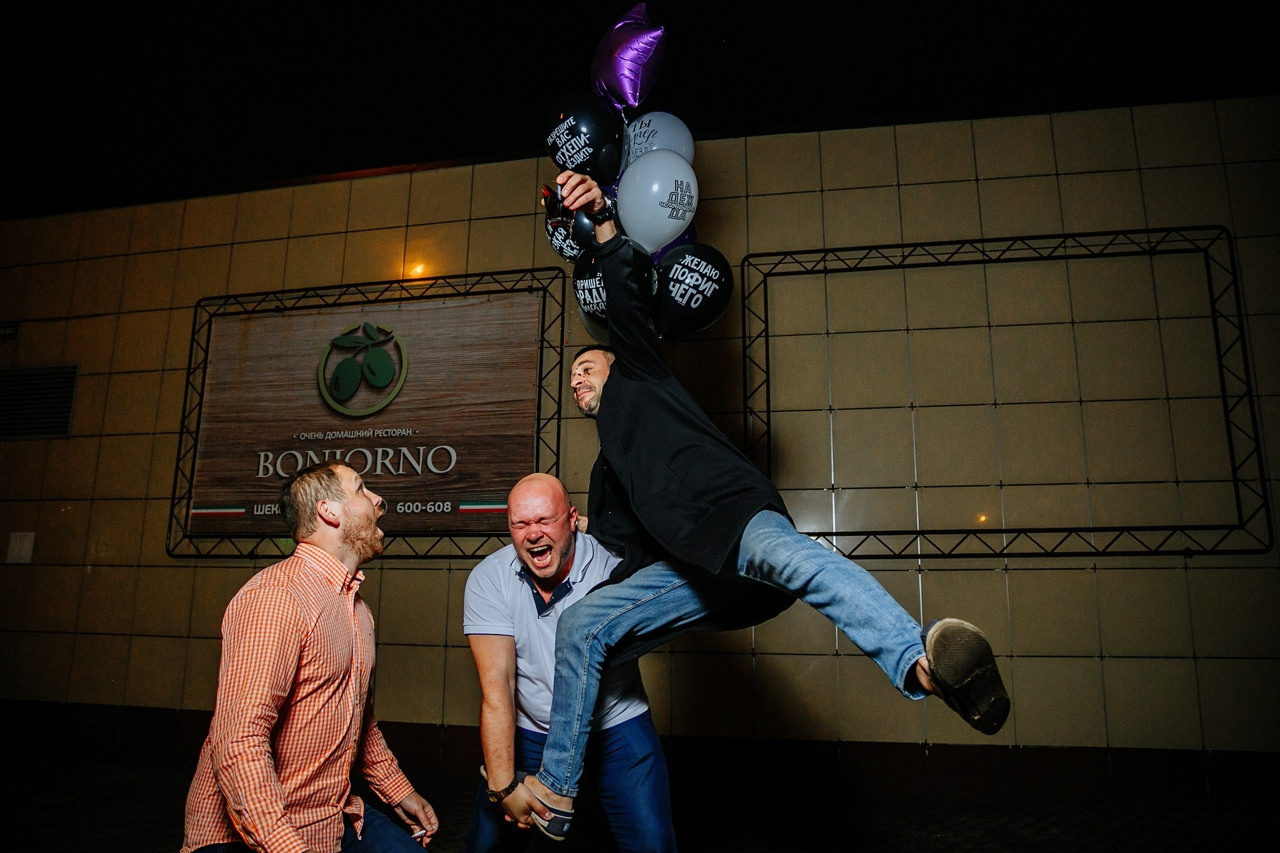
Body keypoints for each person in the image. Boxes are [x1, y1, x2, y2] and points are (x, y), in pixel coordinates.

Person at [513, 171, 1012, 840]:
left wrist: (602, 218)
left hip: (737, 521)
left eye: (587, 366)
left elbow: (626, 297)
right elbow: (625, 557)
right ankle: (558, 793)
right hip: (700, 574)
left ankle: (918, 661)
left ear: (616, 363)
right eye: (572, 376)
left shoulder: (640, 374)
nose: (578, 379)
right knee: (583, 626)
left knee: (799, 560)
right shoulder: (609, 475)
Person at [180, 462, 439, 853]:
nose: (378, 500)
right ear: (328, 511)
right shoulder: (277, 598)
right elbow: (239, 741)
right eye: (361, 489)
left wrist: (399, 791)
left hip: (332, 816)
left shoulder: (357, 609)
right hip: (253, 833)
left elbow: (359, 719)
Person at [462, 473, 677, 853]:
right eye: (520, 524)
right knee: (485, 846)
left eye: (545, 520)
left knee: (651, 843)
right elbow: (497, 685)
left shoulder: (615, 567)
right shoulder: (489, 579)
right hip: (531, 731)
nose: (533, 533)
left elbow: (671, 551)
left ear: (573, 519)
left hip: (615, 727)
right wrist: (503, 787)